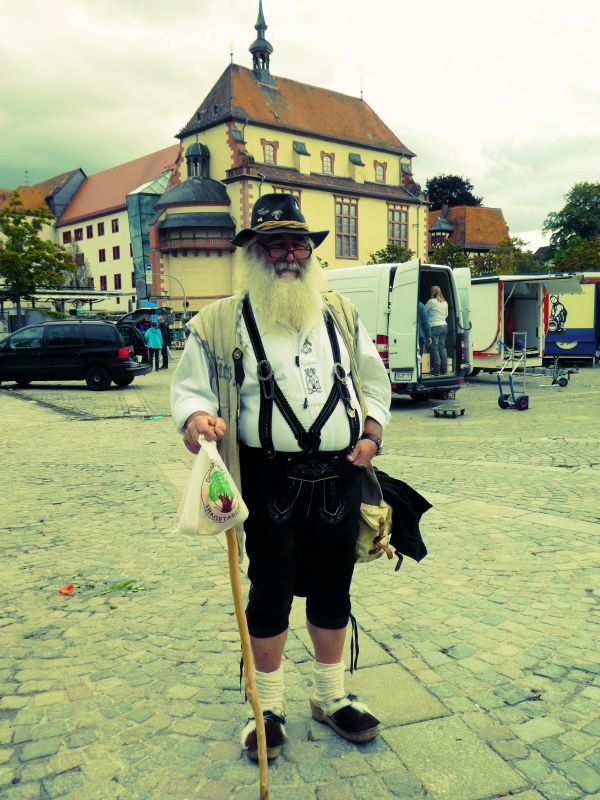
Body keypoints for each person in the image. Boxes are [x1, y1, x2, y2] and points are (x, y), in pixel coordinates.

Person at [171, 194, 391, 762]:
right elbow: (190, 388)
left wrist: (371, 433)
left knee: (333, 589)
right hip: (267, 480)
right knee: (269, 594)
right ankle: (265, 710)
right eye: (275, 245)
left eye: (298, 244)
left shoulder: (341, 313)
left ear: (310, 253)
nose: (289, 255)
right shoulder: (220, 321)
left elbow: (374, 378)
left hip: (340, 476)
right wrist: (196, 417)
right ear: (254, 254)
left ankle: (331, 696)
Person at [425, 285, 448, 375]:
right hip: (444, 326)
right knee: (442, 347)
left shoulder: (431, 302)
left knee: (434, 348)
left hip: (434, 326)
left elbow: (424, 311)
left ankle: (436, 370)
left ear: (432, 292)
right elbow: (446, 315)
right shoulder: (445, 302)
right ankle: (444, 369)